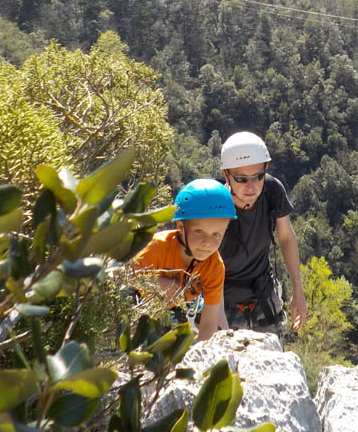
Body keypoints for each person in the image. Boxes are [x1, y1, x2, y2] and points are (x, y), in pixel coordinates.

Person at [217, 131, 307, 336]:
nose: (251, 186)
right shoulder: (215, 205)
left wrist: (298, 291)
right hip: (221, 301)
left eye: (258, 177)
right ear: (226, 175)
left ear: (265, 169)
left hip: (262, 298)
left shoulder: (272, 191)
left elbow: (286, 238)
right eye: (241, 179)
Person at [131, 178, 236, 341]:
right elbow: (124, 277)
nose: (207, 243)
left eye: (216, 234)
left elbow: (209, 322)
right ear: (180, 227)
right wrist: (155, 282)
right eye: (199, 231)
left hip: (178, 311)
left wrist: (201, 356)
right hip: (139, 305)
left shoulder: (214, 267)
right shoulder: (156, 248)